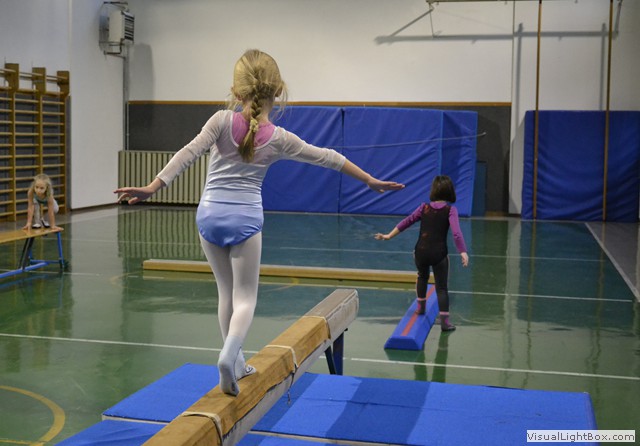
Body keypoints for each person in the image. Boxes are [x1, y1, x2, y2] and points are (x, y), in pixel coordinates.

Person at [115, 49, 404, 396]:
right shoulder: (279, 138)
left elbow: (187, 153)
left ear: (236, 91)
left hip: (209, 216)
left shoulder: (220, 121)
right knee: (246, 298)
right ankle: (229, 356)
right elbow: (328, 158)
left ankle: (234, 360)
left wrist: (153, 187)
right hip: (245, 219)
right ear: (278, 91)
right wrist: (369, 179)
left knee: (225, 292)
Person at [375, 175, 468, 332]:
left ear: (434, 191)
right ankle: (445, 322)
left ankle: (421, 308)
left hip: (421, 251)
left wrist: (389, 235)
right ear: (450, 191)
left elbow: (407, 221)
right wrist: (463, 251)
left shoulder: (423, 207)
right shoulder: (450, 210)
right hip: (439, 253)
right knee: (441, 287)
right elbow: (456, 233)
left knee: (422, 276)